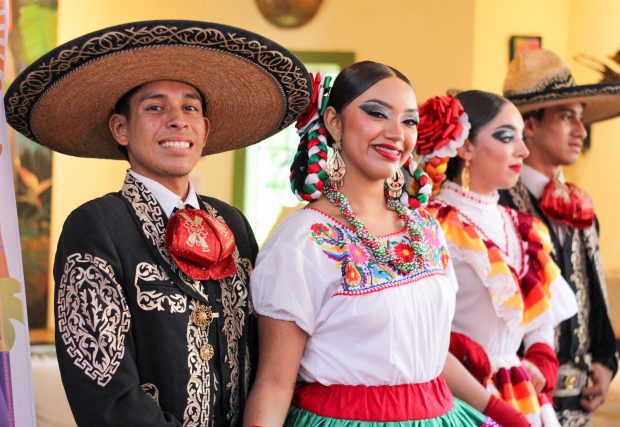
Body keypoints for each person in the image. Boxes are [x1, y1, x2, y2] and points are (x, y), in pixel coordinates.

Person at [4, 20, 312, 426]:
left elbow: (266, 359)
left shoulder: (234, 224)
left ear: (205, 130)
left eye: (190, 108)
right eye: (154, 107)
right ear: (121, 128)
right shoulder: (95, 226)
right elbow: (106, 394)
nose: (177, 120)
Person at [243, 62, 529, 427]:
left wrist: (499, 411)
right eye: (377, 114)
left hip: (440, 416)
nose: (396, 133)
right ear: (334, 122)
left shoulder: (425, 228)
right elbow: (274, 383)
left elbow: (428, 354)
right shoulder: (302, 240)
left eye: (409, 121)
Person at [418, 91, 578, 426]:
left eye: (522, 137)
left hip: (519, 392)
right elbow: (418, 325)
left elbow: (540, 315)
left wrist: (540, 356)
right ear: (466, 147)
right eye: (506, 137)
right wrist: (458, 349)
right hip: (455, 393)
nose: (523, 150)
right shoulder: (432, 224)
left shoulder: (523, 228)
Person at [499, 49, 620, 425]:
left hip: (578, 403)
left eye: (581, 118)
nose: (581, 130)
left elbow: (593, 290)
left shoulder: (580, 207)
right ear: (529, 125)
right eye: (566, 117)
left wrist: (606, 360)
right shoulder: (498, 206)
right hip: (517, 402)